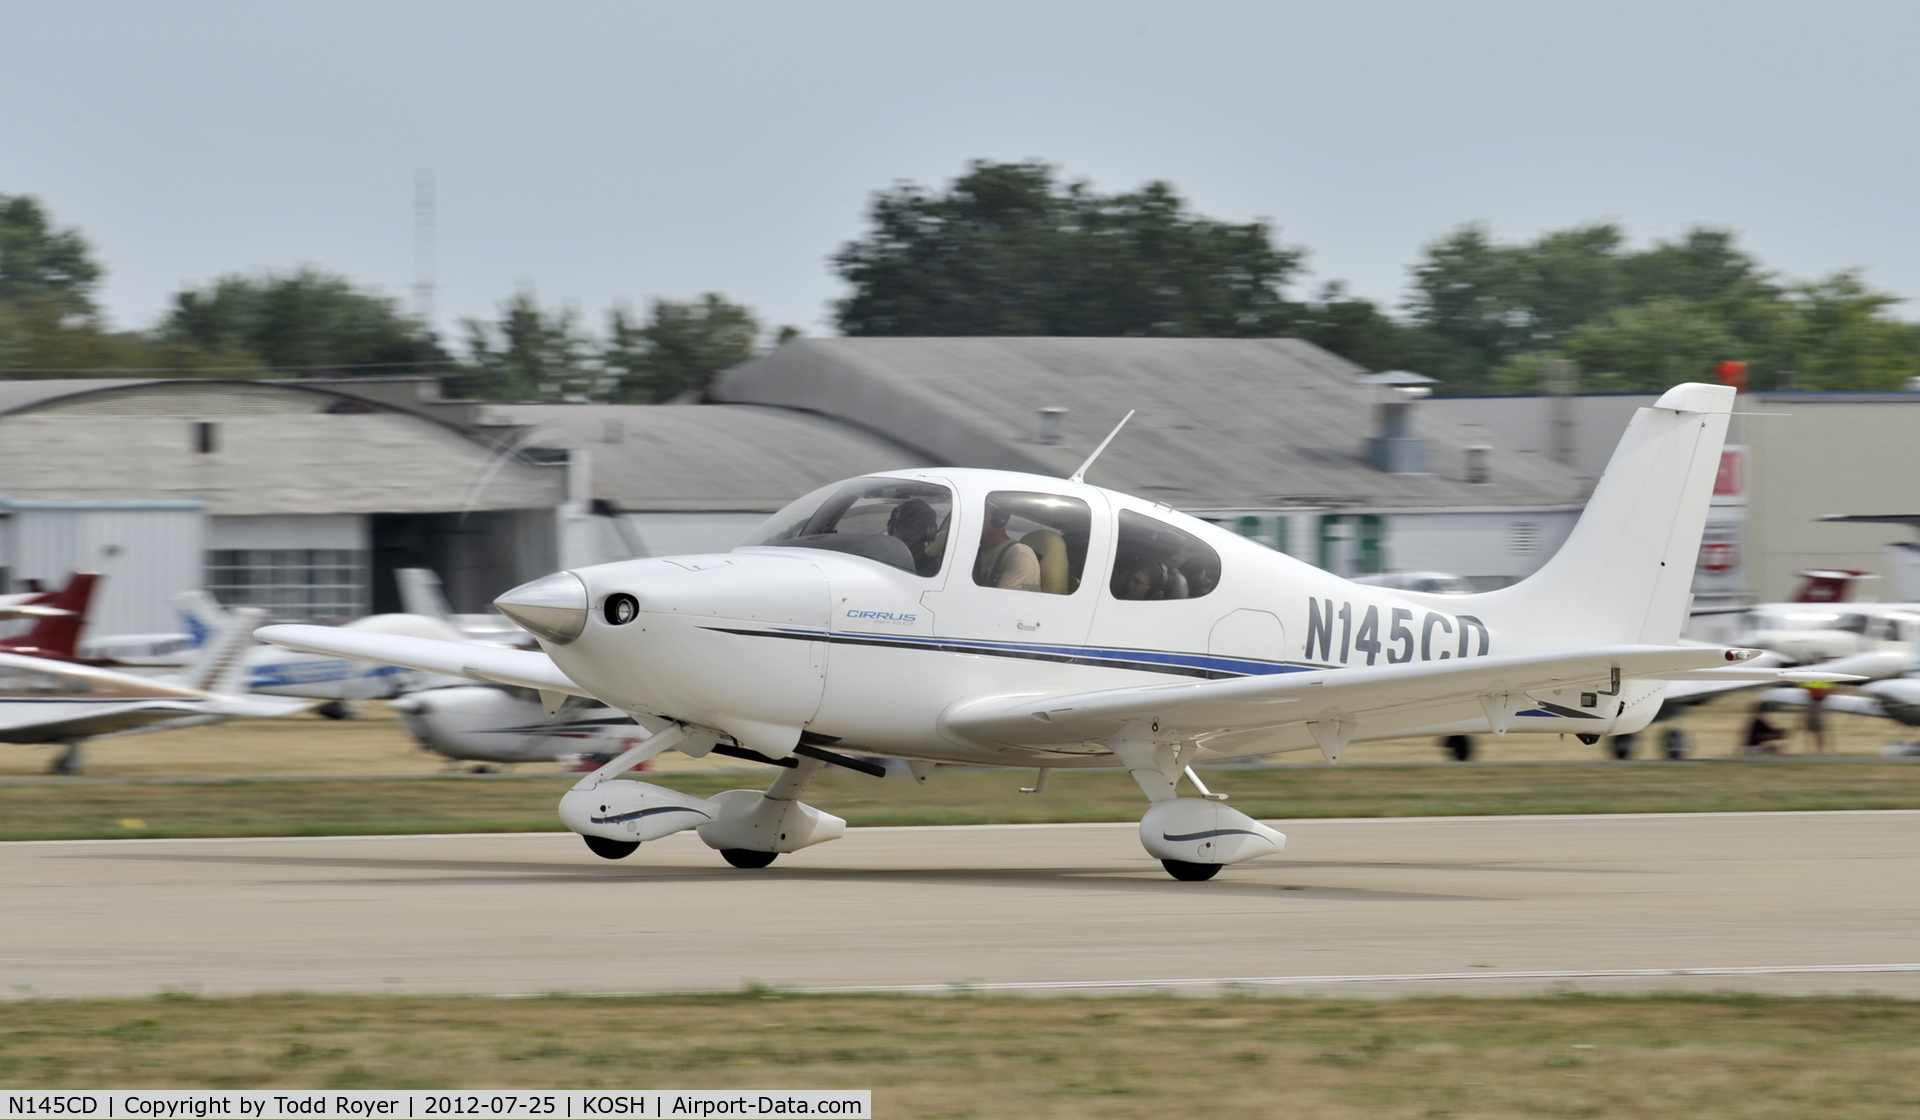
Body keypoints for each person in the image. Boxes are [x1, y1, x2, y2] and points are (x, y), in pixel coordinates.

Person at [974, 502, 1040, 591]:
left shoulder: (1020, 555)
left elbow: (1004, 603)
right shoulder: (976, 553)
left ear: (999, 519)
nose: (972, 520)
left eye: (979, 514)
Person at [886, 498, 942, 576]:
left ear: (929, 530)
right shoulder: (879, 560)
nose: (899, 530)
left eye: (909, 525)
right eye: (897, 523)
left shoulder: (931, 571)